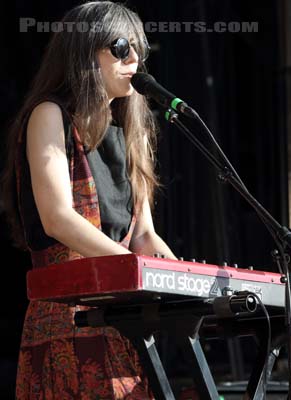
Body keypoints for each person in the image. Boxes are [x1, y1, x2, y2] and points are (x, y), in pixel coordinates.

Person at [1, 2, 176, 398]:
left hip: (122, 324)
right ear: (84, 52)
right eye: (119, 48)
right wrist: (136, 268)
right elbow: (58, 218)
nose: (134, 60)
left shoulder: (132, 133)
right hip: (67, 320)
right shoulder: (49, 115)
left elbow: (144, 235)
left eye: (139, 51)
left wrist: (183, 280)